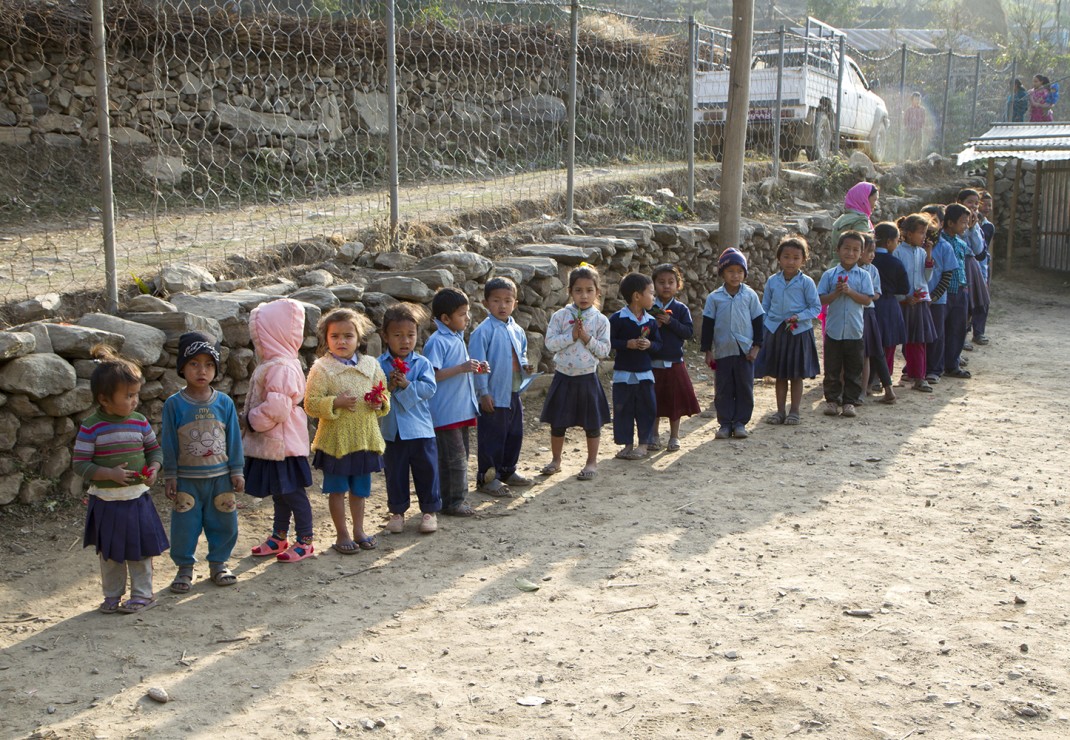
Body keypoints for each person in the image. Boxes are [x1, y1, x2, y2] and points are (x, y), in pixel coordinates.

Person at [73, 345, 168, 614]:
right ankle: (112, 595)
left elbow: (154, 450)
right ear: (104, 400)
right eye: (128, 396)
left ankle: (143, 595)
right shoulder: (92, 426)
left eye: (135, 394)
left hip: (136, 499)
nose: (135, 401)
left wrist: (154, 468)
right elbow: (80, 464)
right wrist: (109, 474)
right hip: (106, 502)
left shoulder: (139, 422)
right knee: (110, 553)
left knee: (139, 551)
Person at [162, 332, 244, 593]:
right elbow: (169, 442)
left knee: (224, 522)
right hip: (187, 480)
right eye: (194, 364)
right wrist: (171, 476)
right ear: (182, 368)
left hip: (221, 479)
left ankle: (219, 564)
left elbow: (233, 439)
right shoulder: (174, 405)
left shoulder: (224, 402)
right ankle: (184, 568)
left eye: (209, 364)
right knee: (184, 526)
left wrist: (237, 470)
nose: (202, 370)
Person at [305, 308, 390, 554]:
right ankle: (342, 533)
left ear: (359, 338)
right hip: (336, 442)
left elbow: (384, 394)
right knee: (337, 489)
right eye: (335, 336)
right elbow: (310, 403)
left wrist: (379, 403)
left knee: (360, 490)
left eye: (348, 336)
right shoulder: (321, 368)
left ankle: (359, 530)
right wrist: (334, 403)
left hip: (364, 439)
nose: (341, 341)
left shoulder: (371, 365)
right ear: (326, 339)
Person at [243, 299, 315, 563]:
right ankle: (279, 535)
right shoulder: (275, 363)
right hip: (275, 443)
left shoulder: (282, 367)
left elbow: (277, 408)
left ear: (272, 334)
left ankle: (305, 539)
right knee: (279, 491)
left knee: (292, 492)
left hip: (283, 444)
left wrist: (252, 420)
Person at [539, 264, 612, 480]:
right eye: (578, 290)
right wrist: (571, 336)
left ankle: (591, 462)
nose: (584, 295)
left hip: (588, 378)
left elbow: (604, 350)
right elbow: (550, 344)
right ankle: (556, 460)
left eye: (589, 290)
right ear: (570, 292)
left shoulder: (600, 321)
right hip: (563, 377)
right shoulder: (561, 316)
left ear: (597, 292)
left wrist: (586, 338)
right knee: (558, 422)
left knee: (592, 423)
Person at [377, 303, 441, 535]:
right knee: (395, 473)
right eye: (398, 335)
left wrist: (407, 386)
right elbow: (374, 393)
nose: (405, 341)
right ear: (385, 336)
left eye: (410, 335)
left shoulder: (421, 363)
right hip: (392, 431)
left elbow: (429, 389)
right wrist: (388, 385)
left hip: (421, 429)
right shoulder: (378, 364)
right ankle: (397, 512)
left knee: (427, 471)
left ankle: (429, 511)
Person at [470, 276, 534, 497]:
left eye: (508, 301)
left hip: (513, 393)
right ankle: (487, 479)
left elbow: (522, 353)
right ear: (486, 303)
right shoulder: (483, 332)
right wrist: (483, 393)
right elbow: (478, 366)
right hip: (493, 395)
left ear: (515, 304)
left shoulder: (517, 330)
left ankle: (508, 471)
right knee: (491, 437)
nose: (502, 305)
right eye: (496, 300)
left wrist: (526, 366)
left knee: (514, 434)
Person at [423, 288, 481, 517]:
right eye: (462, 314)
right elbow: (431, 375)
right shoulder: (437, 341)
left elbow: (457, 371)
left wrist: (474, 368)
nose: (467, 318)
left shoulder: (455, 337)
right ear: (445, 318)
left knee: (459, 456)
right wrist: (462, 368)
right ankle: (453, 502)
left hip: (459, 410)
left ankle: (449, 500)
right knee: (454, 459)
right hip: (445, 412)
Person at [755, 236, 821, 426]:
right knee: (780, 375)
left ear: (803, 260)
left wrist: (798, 317)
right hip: (776, 332)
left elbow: (815, 308)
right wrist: (767, 325)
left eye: (795, 257)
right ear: (779, 258)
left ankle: (794, 411)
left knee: (796, 374)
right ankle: (780, 411)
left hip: (798, 333)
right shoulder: (772, 281)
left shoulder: (806, 282)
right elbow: (765, 306)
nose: (790, 262)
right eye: (786, 257)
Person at [701, 248, 764, 439]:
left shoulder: (750, 296)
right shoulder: (715, 298)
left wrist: (756, 347)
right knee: (723, 388)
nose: (735, 275)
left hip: (745, 351)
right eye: (730, 271)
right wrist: (707, 351)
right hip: (723, 351)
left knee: (745, 387)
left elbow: (758, 322)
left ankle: (740, 423)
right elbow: (708, 326)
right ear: (722, 273)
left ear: (745, 273)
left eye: (739, 271)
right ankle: (725, 424)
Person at [818, 232, 874, 418]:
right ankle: (832, 401)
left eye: (855, 250)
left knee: (853, 368)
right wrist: (836, 293)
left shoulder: (864, 276)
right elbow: (820, 300)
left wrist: (849, 292)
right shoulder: (830, 275)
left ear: (861, 253)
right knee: (832, 368)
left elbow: (867, 300)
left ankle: (850, 401)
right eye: (846, 248)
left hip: (854, 330)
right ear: (838, 250)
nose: (850, 253)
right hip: (833, 330)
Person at [648, 263, 700, 451]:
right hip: (652, 362)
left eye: (671, 282)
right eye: (661, 282)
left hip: (674, 362)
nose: (666, 286)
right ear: (653, 285)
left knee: (674, 402)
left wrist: (670, 321)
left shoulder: (680, 309)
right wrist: (654, 326)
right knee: (654, 402)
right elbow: (642, 331)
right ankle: (653, 435)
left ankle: (674, 436)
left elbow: (688, 332)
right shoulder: (649, 308)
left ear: (678, 285)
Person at [610, 272, 661, 459]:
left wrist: (650, 345)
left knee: (646, 409)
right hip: (623, 373)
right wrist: (626, 344)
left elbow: (659, 345)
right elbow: (609, 342)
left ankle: (644, 444)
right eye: (651, 293)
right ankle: (627, 444)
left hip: (644, 374)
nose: (653, 297)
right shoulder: (617, 319)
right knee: (623, 410)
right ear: (637, 296)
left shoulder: (651, 321)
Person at [894, 214, 938, 392]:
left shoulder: (921, 253)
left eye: (925, 233)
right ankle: (881, 378)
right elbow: (896, 278)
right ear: (908, 234)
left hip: (919, 301)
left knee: (918, 340)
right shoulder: (898, 252)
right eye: (921, 233)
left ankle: (919, 376)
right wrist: (904, 297)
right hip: (903, 302)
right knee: (894, 341)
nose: (924, 237)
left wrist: (929, 256)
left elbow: (926, 278)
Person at [931, 203, 972, 380]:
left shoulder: (961, 244)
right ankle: (936, 366)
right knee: (940, 330)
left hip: (961, 291)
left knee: (958, 329)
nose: (966, 226)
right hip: (943, 292)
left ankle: (952, 364)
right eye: (963, 222)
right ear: (949, 223)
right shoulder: (939, 243)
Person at [858, 235, 897, 404]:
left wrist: (860, 296)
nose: (872, 255)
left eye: (873, 251)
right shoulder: (848, 270)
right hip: (856, 314)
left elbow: (876, 294)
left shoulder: (871, 270)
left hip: (868, 314)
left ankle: (881, 389)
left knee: (872, 353)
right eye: (869, 251)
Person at [870, 222, 909, 381]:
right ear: (888, 242)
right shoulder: (895, 262)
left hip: (871, 304)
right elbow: (904, 288)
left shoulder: (869, 261)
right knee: (889, 343)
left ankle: (871, 378)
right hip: (889, 304)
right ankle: (885, 376)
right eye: (896, 241)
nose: (897, 244)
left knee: (872, 342)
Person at [957, 188, 992, 350]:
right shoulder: (955, 221)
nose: (973, 206)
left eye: (976, 203)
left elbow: (979, 250)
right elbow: (960, 245)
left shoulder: (977, 225)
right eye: (969, 202)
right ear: (960, 203)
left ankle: (968, 335)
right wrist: (966, 229)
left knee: (972, 305)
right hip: (958, 266)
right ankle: (959, 338)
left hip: (973, 267)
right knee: (961, 305)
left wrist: (972, 229)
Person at [904, 92, 926, 160]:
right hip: (910, 130)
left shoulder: (922, 109)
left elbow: (923, 119)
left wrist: (921, 125)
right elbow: (905, 119)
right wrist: (907, 126)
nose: (918, 101)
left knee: (919, 145)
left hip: (919, 129)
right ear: (912, 100)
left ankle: (918, 159)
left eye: (919, 99)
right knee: (908, 144)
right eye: (916, 99)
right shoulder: (909, 110)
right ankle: (906, 158)